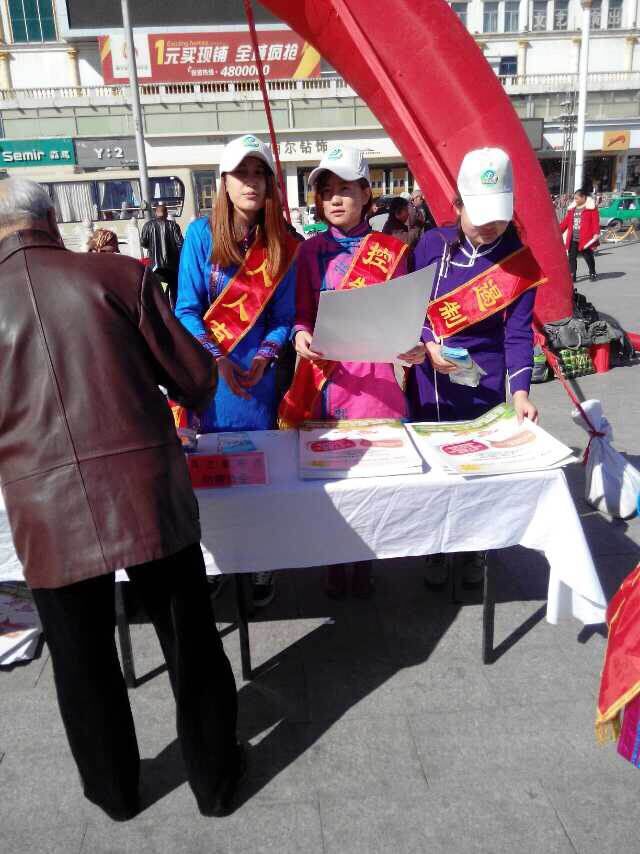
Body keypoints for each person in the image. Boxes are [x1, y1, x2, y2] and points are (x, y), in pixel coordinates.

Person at [0, 178, 241, 821]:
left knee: (80, 662)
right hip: (144, 490)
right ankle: (216, 782)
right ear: (53, 219)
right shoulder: (118, 276)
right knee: (189, 642)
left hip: (44, 509)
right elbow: (194, 376)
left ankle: (115, 794)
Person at [278, 144, 426, 598]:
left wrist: (411, 344)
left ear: (366, 194)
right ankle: (333, 559)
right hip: (325, 381)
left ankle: (365, 560)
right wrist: (299, 335)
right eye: (327, 192)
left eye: (345, 190)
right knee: (331, 480)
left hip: (374, 384)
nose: (335, 199)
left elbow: (406, 315)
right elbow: (301, 313)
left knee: (369, 482)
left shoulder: (392, 251)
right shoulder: (309, 252)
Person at [408, 148, 544, 587]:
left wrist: (520, 394)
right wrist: (427, 343)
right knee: (432, 466)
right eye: (479, 215)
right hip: (429, 376)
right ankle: (434, 546)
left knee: (477, 467)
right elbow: (411, 307)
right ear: (458, 204)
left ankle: (473, 548)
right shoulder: (431, 245)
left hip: (483, 379)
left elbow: (518, 334)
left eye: (499, 217)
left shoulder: (519, 262)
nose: (489, 226)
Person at [176, 134, 298, 609]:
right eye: (241, 173)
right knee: (210, 478)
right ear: (223, 182)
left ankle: (261, 559)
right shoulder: (200, 236)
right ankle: (215, 562)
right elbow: (186, 309)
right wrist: (216, 356)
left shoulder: (281, 243)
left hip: (257, 381)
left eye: (259, 173)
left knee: (258, 475)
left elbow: (283, 317)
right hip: (211, 377)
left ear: (269, 183)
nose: (251, 182)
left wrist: (266, 356)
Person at [140, 202, 184, 306]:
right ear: (166, 213)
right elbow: (180, 243)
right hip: (173, 267)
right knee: (175, 293)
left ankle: (165, 314)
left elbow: (143, 243)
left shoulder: (148, 225)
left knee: (162, 294)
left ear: (156, 213)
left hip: (157, 269)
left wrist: (152, 247)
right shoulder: (173, 225)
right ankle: (175, 314)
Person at [559, 188, 599, 282]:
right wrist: (557, 231)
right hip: (572, 238)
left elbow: (595, 223)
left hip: (585, 239)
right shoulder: (572, 210)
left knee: (588, 256)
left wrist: (596, 233)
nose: (575, 200)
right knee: (572, 258)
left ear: (583, 197)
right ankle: (572, 275)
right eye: (574, 198)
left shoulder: (591, 209)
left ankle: (592, 272)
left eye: (577, 198)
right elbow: (565, 223)